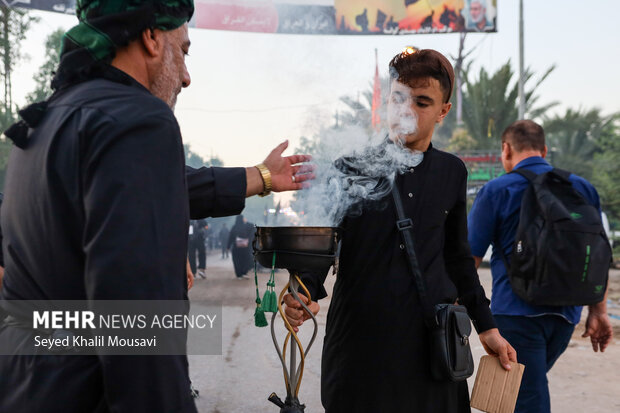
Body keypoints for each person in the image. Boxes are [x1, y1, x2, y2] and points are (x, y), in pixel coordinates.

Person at [0, 0, 314, 411]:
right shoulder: (137, 119)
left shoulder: (47, 119)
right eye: (183, 50)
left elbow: (150, 186)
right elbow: (138, 323)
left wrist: (261, 176)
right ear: (151, 37)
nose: (185, 77)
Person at [284, 49, 516, 412]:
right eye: (398, 98)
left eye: (422, 102)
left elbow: (457, 257)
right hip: (361, 343)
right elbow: (324, 242)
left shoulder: (451, 172)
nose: (406, 111)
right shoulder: (350, 166)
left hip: (431, 343)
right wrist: (304, 290)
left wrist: (487, 327)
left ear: (443, 110)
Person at [467, 120, 613, 413]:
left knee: (526, 400)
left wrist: (466, 314)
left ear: (505, 150)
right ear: (544, 150)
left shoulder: (496, 190)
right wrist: (598, 311)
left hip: (515, 315)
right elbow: (598, 254)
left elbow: (468, 260)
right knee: (517, 394)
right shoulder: (583, 188)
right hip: (566, 315)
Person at [227, 215, 254, 279]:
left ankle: (239, 274)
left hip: (236, 247)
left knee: (237, 260)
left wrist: (228, 246)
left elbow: (230, 237)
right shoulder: (246, 226)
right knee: (245, 260)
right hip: (245, 247)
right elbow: (253, 227)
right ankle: (244, 272)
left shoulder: (234, 227)